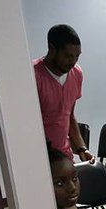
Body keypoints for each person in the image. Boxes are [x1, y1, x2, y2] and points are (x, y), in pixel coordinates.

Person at [33, 25, 93, 162]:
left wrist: (82, 148)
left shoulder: (77, 73)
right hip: (39, 159)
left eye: (77, 56)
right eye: (68, 56)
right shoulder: (33, 75)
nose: (73, 62)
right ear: (52, 49)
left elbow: (69, 116)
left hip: (65, 157)